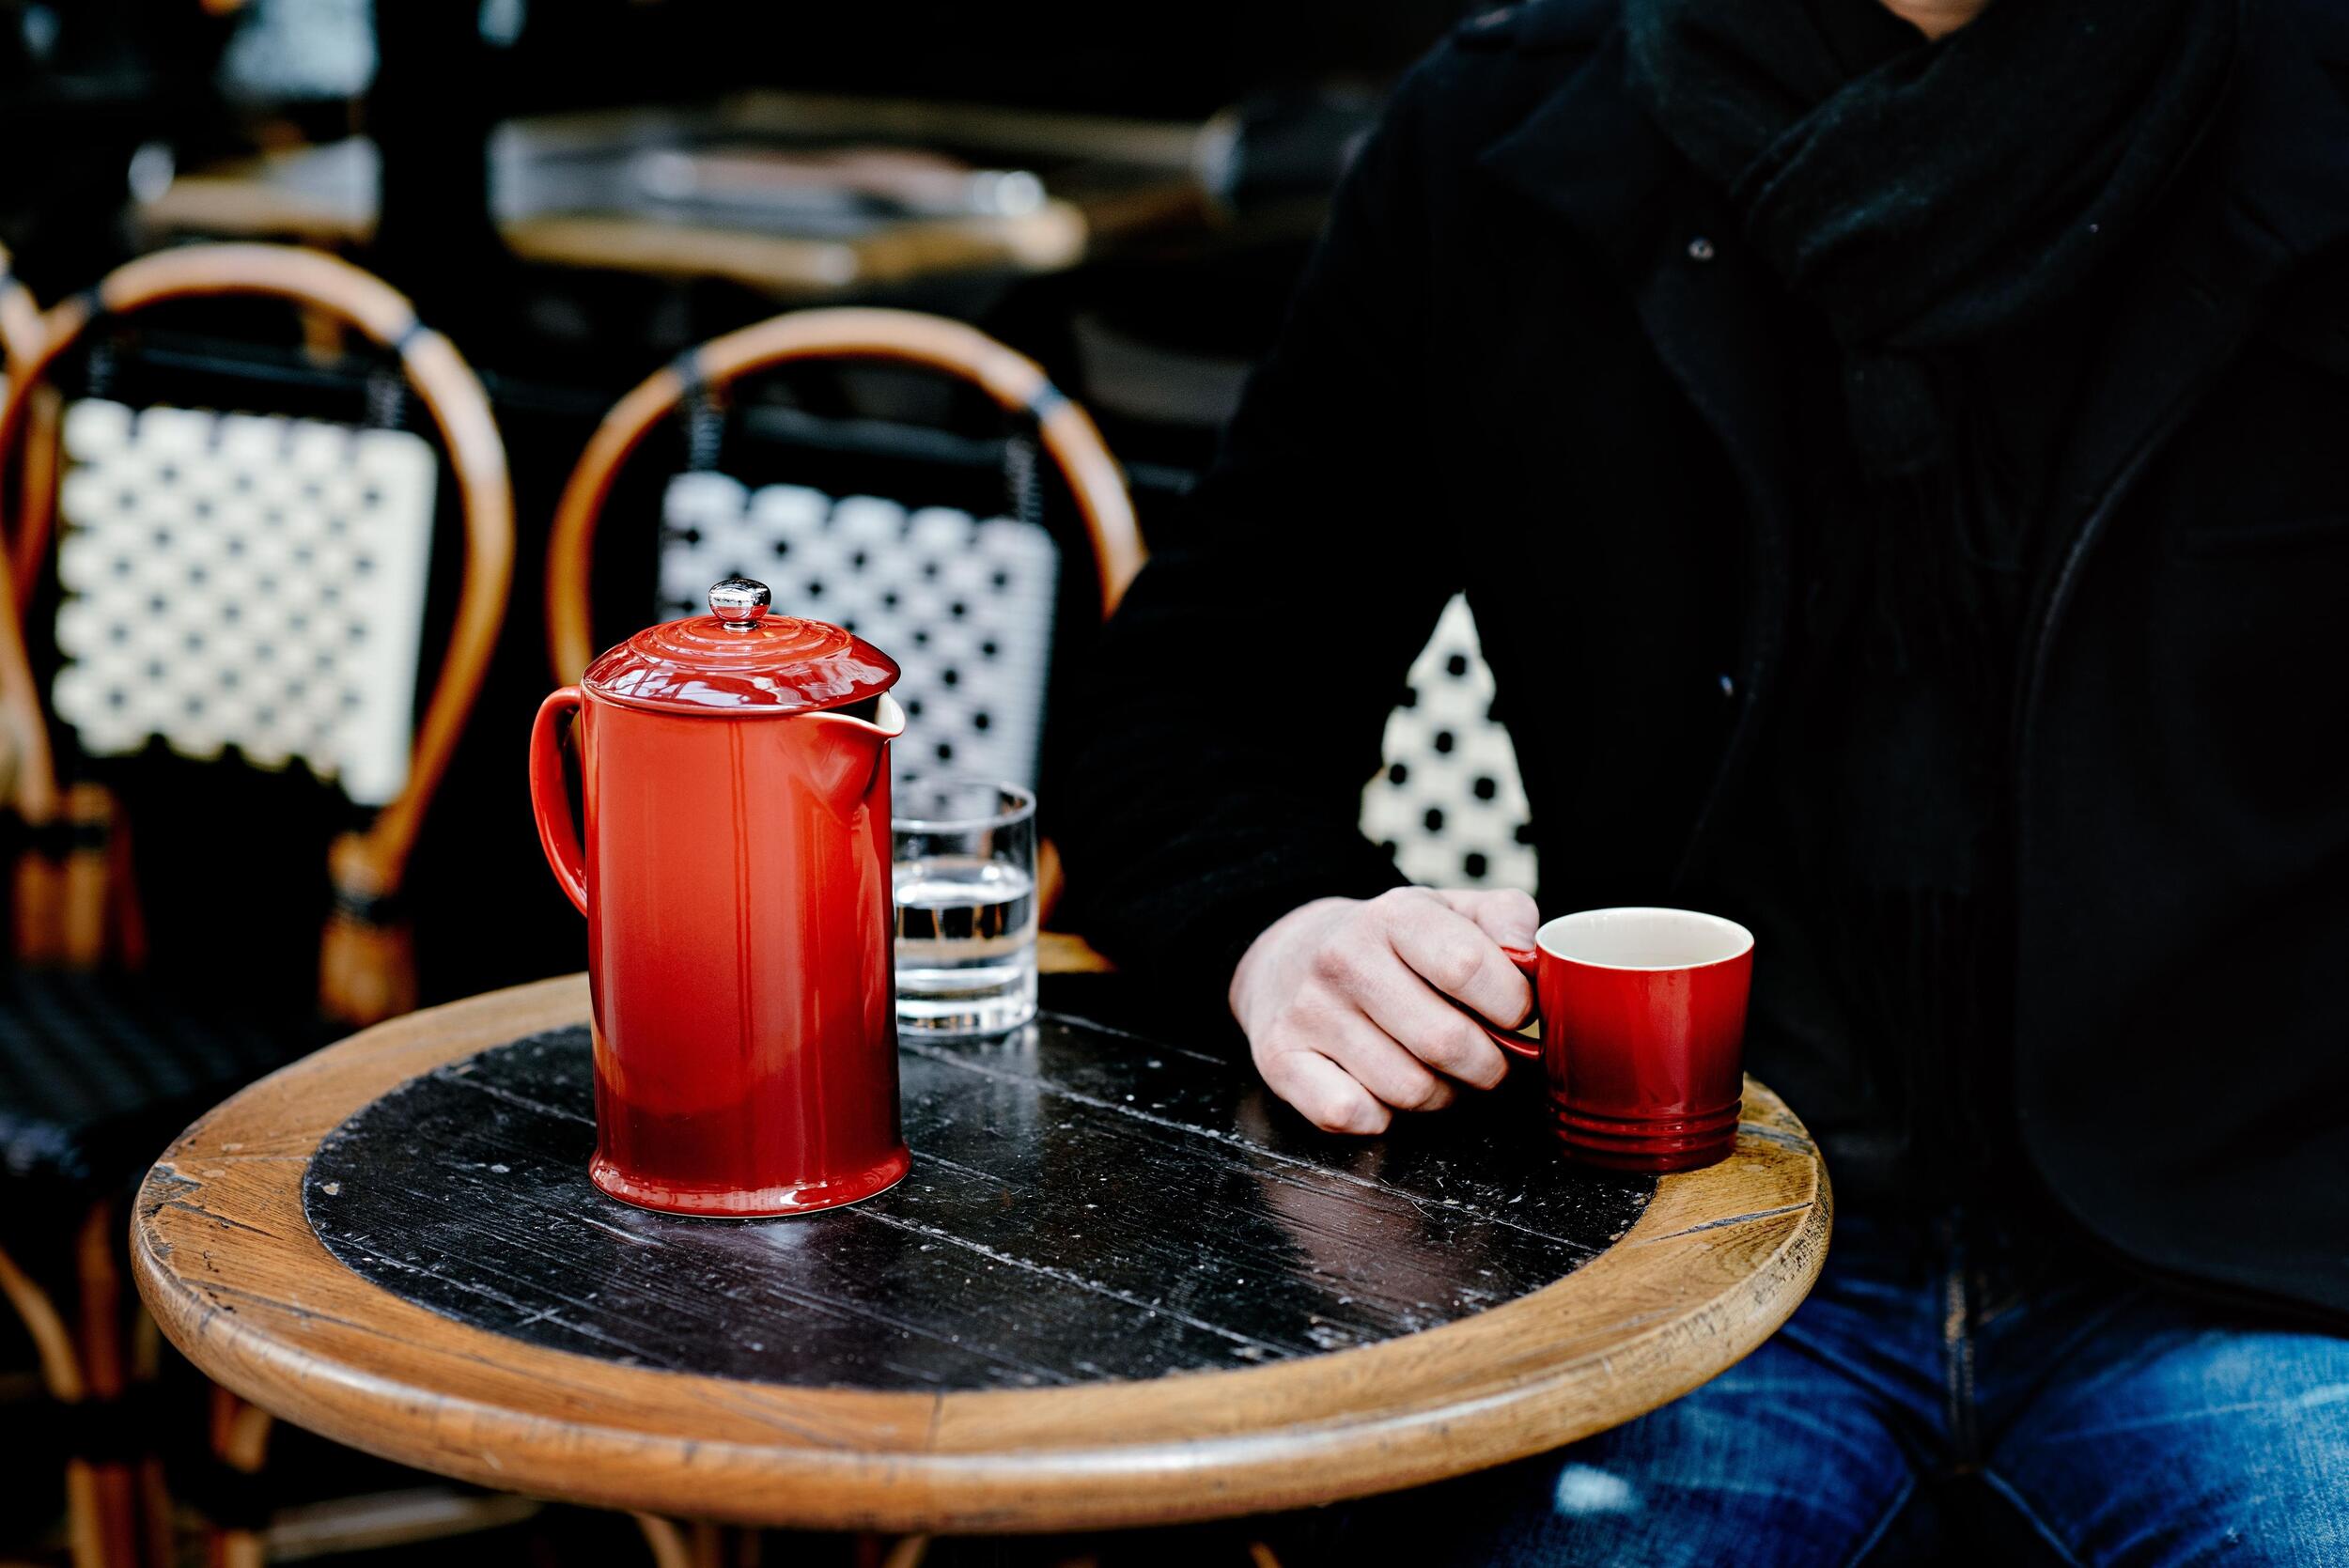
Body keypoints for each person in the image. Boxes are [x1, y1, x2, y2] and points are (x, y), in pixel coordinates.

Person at [1054, 0, 2349, 1560]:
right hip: (1677, 1235)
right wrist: (1284, 931)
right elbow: (1185, 697)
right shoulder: (1500, 131)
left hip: (2256, 1257)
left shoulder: (2314, 104)